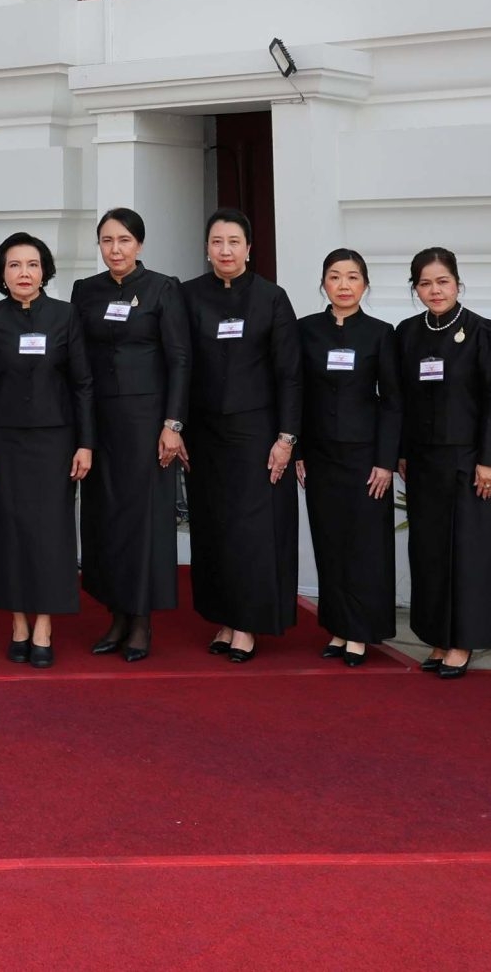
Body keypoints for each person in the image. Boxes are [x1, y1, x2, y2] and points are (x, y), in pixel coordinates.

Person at [179, 209, 299, 663]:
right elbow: (180, 365)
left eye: (234, 242)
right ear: (206, 248)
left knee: (252, 532)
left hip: (257, 434)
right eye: (216, 242)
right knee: (213, 529)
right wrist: (177, 425)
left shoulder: (271, 298)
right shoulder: (188, 295)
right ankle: (225, 619)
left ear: (250, 248)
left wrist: (287, 437)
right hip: (205, 433)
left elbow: (289, 374)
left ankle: (249, 624)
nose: (225, 251)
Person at [70, 207, 187, 662]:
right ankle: (116, 615)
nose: (114, 249)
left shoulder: (162, 289)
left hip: (147, 424)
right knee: (104, 520)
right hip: (99, 423)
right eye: (106, 240)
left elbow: (180, 359)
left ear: (139, 244)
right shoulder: (85, 291)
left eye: (123, 240)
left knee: (144, 522)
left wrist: (173, 424)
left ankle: (141, 622)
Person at [0, 232, 93, 668]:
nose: (24, 273)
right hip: (2, 443)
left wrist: (85, 443)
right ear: (1, 274)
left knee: (49, 535)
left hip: (55, 442)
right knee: (8, 533)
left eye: (33, 265)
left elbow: (82, 384)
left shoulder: (65, 316)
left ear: (45, 271)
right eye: (15, 265)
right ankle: (18, 624)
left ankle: (44, 625)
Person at [393, 247, 491, 679]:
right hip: (422, 462)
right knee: (430, 552)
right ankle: (438, 637)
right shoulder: (407, 334)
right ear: (415, 289)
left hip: (469, 460)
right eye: (425, 283)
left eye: (442, 281)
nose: (434, 290)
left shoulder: (482, 333)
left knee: (468, 552)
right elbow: (399, 400)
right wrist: (401, 451)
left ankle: (462, 641)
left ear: (458, 283)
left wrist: (489, 459)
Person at [295, 248, 400, 666]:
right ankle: (338, 628)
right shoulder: (306, 331)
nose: (343, 285)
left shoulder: (380, 333)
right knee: (330, 542)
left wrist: (386, 461)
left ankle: (361, 632)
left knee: (365, 546)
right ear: (323, 284)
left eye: (352, 277)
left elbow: (392, 402)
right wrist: (299, 449)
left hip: (365, 458)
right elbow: (296, 393)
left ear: (365, 285)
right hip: (320, 454)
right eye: (335, 277)